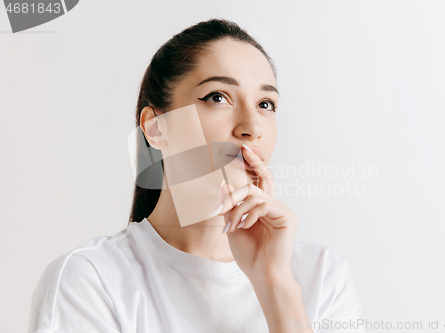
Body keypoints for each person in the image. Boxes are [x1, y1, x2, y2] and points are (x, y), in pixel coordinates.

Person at [28, 19, 366, 333]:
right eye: (218, 97)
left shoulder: (323, 275)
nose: (251, 127)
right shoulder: (91, 279)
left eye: (266, 104)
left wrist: (275, 284)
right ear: (155, 128)